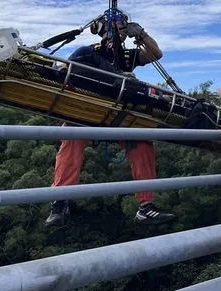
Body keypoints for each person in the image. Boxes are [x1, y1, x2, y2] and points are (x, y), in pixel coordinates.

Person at [45, 11, 177, 227]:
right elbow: (65, 71)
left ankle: (146, 206)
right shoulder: (87, 53)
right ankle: (60, 202)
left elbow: (155, 55)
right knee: (70, 140)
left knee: (142, 143)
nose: (121, 32)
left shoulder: (125, 57)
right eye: (117, 28)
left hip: (119, 113)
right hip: (87, 110)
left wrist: (141, 34)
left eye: (124, 28)